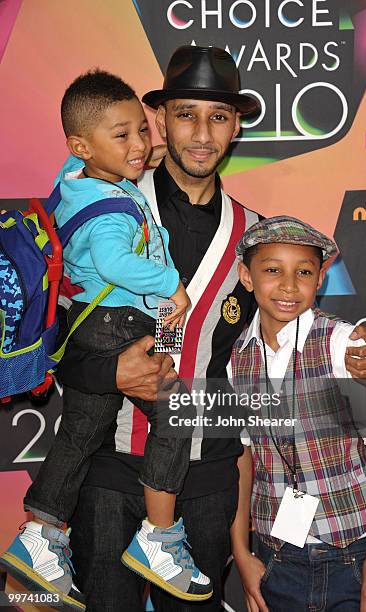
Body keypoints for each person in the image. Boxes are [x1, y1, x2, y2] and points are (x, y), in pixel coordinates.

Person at [55, 46, 366, 612]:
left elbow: (298, 334)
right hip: (110, 469)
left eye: (218, 116)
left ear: (236, 126)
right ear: (158, 121)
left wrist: (363, 349)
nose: (202, 133)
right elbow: (60, 343)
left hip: (208, 478)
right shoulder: (104, 213)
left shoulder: (256, 239)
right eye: (185, 114)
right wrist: (112, 369)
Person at [0, 69, 215, 607]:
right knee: (179, 412)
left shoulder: (77, 182)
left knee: (78, 436)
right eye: (123, 136)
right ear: (81, 145)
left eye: (143, 130)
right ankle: (159, 538)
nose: (141, 145)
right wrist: (172, 283)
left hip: (100, 330)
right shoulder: (111, 208)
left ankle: (39, 535)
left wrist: (100, 149)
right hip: (117, 326)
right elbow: (114, 261)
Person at [229, 216, 366, 612]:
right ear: (246, 275)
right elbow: (243, 457)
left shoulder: (342, 344)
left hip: (353, 554)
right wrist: (241, 550)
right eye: (272, 270)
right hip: (277, 556)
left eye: (304, 272)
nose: (289, 285)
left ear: (320, 280)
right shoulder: (237, 358)